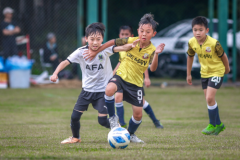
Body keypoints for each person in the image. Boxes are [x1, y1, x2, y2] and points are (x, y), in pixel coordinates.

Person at [50, 22, 139, 144]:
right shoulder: (80, 52)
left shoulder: (105, 49)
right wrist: (55, 73)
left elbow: (121, 48)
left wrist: (131, 45)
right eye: (92, 39)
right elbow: (65, 62)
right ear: (86, 39)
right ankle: (76, 138)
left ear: (102, 39)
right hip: (86, 91)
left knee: (102, 121)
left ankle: (120, 130)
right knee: (74, 117)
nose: (95, 42)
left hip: (103, 91)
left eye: (98, 39)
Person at [83, 13, 165, 143]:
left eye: (148, 32)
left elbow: (153, 68)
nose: (144, 34)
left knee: (138, 115)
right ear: (138, 31)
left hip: (136, 84)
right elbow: (112, 42)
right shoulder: (131, 40)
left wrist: (157, 54)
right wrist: (96, 51)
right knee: (109, 90)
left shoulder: (152, 50)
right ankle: (113, 119)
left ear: (153, 34)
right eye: (142, 31)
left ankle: (130, 134)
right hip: (121, 76)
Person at [113, 25, 163, 129]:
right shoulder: (122, 48)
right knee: (117, 97)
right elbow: (121, 62)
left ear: (131, 35)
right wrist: (113, 73)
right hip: (123, 77)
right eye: (122, 34)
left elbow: (142, 65)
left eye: (126, 35)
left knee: (142, 103)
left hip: (135, 80)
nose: (124, 36)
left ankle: (155, 120)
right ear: (119, 35)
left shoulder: (137, 45)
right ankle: (122, 123)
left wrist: (147, 77)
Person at [186, 16, 230, 135]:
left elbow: (223, 56)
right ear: (192, 30)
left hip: (217, 71)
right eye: (195, 30)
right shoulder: (191, 42)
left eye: (201, 30)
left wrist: (227, 68)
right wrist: (188, 74)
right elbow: (190, 57)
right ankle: (219, 124)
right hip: (204, 73)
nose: (198, 32)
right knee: (209, 100)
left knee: (209, 98)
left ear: (207, 30)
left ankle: (211, 125)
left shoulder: (214, 43)